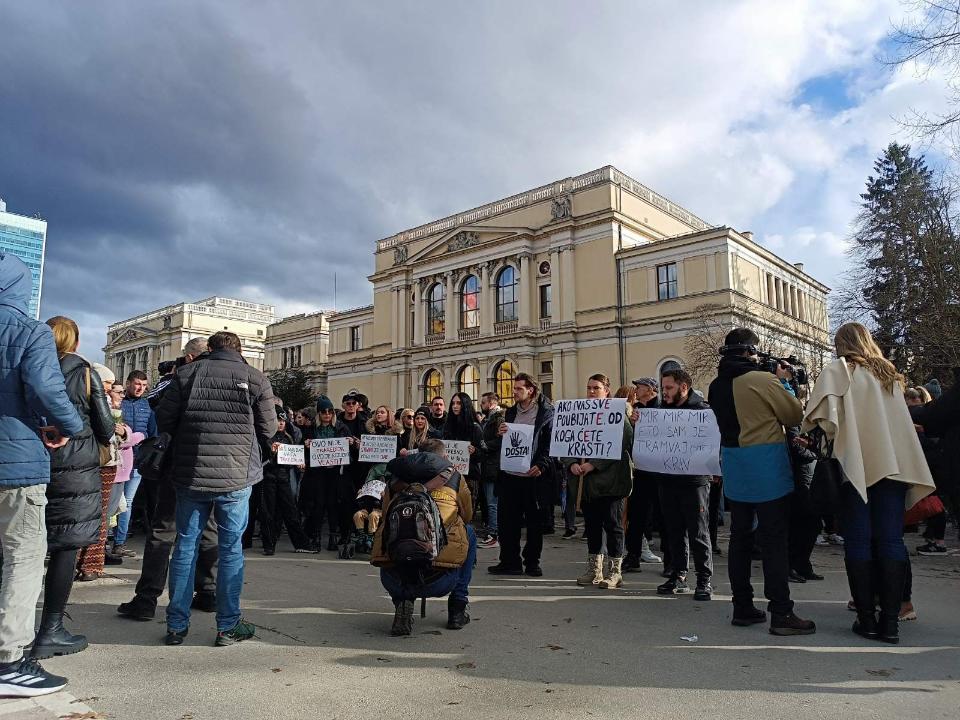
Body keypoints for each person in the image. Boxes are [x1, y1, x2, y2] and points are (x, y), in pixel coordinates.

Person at [803, 323, 935, 644]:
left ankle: (867, 619)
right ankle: (890, 623)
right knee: (891, 540)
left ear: (841, 344)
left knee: (859, 541)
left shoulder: (839, 371)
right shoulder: (889, 374)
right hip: (892, 466)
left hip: (856, 467)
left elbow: (820, 419)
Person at [156, 331, 277, 647]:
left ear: (209, 349)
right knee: (231, 548)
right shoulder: (255, 377)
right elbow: (269, 428)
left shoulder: (186, 373)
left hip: (191, 473)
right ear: (240, 349)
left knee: (185, 546)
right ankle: (227, 626)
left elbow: (164, 420)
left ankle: (176, 626)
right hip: (236, 474)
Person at [0, 252, 83, 697]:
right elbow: (46, 388)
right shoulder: (28, 331)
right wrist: (67, 425)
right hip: (15, 462)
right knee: (23, 557)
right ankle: (8, 661)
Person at [708, 328, 816, 635]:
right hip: (766, 465)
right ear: (749, 352)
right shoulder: (762, 379)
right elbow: (793, 415)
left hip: (735, 464)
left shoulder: (716, 385)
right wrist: (785, 383)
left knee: (740, 539)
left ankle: (742, 606)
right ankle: (781, 611)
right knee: (774, 540)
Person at [117, 338, 219, 621]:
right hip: (214, 467)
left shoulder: (179, 379)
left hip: (178, 463)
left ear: (189, 357)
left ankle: (146, 600)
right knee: (209, 529)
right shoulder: (231, 378)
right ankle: (208, 592)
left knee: (163, 530)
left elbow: (159, 413)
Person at [31, 317, 115, 660]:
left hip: (31, 461)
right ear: (76, 342)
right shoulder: (83, 372)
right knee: (65, 549)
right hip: (75, 469)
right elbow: (105, 426)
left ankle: (13, 625)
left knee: (19, 546)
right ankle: (50, 628)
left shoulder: (28, 365)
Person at [372, 439, 476, 636]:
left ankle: (402, 602)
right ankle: (458, 607)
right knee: (468, 531)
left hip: (395, 579)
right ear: (444, 457)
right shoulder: (455, 477)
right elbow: (467, 515)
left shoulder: (395, 479)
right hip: (440, 579)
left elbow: (385, 514)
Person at [567, 374, 634, 589]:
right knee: (592, 526)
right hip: (587, 485)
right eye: (589, 388)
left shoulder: (618, 413)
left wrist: (594, 464)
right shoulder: (580, 414)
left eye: (596, 388)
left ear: (606, 390)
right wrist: (571, 463)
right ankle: (594, 570)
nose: (591, 392)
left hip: (611, 483)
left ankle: (615, 571)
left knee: (613, 526)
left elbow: (623, 442)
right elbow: (566, 441)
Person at [654, 368, 714, 600]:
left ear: (684, 387)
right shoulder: (661, 412)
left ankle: (704, 579)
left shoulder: (702, 411)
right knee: (674, 531)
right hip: (667, 480)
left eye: (669, 388)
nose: (665, 392)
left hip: (694, 482)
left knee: (698, 531)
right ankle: (678, 574)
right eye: (663, 388)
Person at [488, 373, 555, 577]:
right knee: (508, 522)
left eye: (519, 388)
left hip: (533, 478)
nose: (514, 392)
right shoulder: (510, 412)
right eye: (514, 388)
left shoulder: (546, 413)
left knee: (534, 524)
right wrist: (501, 433)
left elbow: (550, 443)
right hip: (509, 475)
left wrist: (542, 464)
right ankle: (509, 561)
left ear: (530, 390)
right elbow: (506, 441)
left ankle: (532, 562)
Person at [75, 363, 123, 582]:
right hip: (102, 462)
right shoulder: (101, 403)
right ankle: (90, 565)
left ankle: (81, 563)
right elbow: (109, 433)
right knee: (99, 514)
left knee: (86, 513)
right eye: (107, 383)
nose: (110, 387)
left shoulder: (77, 399)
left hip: (85, 461)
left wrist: (124, 431)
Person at [112, 369, 157, 559]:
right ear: (129, 383)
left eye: (144, 385)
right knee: (114, 501)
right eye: (138, 384)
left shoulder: (147, 405)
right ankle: (105, 540)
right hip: (116, 461)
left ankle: (119, 542)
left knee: (127, 503)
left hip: (137, 463)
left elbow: (152, 433)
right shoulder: (118, 403)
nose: (141, 388)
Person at [260, 407, 315, 556]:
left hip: (284, 478)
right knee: (269, 512)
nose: (281, 423)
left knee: (291, 511)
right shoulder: (265, 438)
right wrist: (271, 452)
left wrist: (299, 463)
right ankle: (269, 545)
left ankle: (301, 543)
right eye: (278, 420)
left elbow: (292, 457)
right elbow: (262, 461)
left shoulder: (288, 438)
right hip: (269, 478)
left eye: (283, 420)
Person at [621, 378, 663, 569]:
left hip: (661, 471)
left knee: (663, 515)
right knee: (637, 515)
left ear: (651, 389)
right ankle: (633, 555)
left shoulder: (663, 408)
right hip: (640, 470)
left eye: (640, 386)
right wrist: (631, 424)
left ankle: (671, 561)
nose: (636, 389)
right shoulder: (635, 409)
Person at [302, 396, 345, 551]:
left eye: (330, 411)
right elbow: (302, 448)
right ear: (319, 413)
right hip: (317, 473)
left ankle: (333, 537)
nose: (327, 414)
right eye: (324, 412)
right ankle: (316, 537)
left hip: (334, 472)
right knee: (318, 505)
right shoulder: (312, 429)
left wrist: (351, 443)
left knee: (333, 504)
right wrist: (306, 445)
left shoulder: (340, 427)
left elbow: (348, 450)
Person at [442, 392, 484, 506]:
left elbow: (483, 453)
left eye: (459, 403)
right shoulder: (448, 426)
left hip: (469, 477)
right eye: (453, 403)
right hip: (450, 476)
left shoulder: (475, 428)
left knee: (467, 510)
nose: (455, 406)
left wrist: (475, 451)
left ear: (465, 405)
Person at [479, 393, 505, 548]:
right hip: (488, 465)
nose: (481, 405)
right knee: (491, 502)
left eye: (483, 402)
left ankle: (494, 534)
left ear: (491, 403)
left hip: (494, 466)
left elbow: (502, 440)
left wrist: (485, 445)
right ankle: (492, 531)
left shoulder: (498, 419)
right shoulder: (489, 419)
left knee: (492, 503)